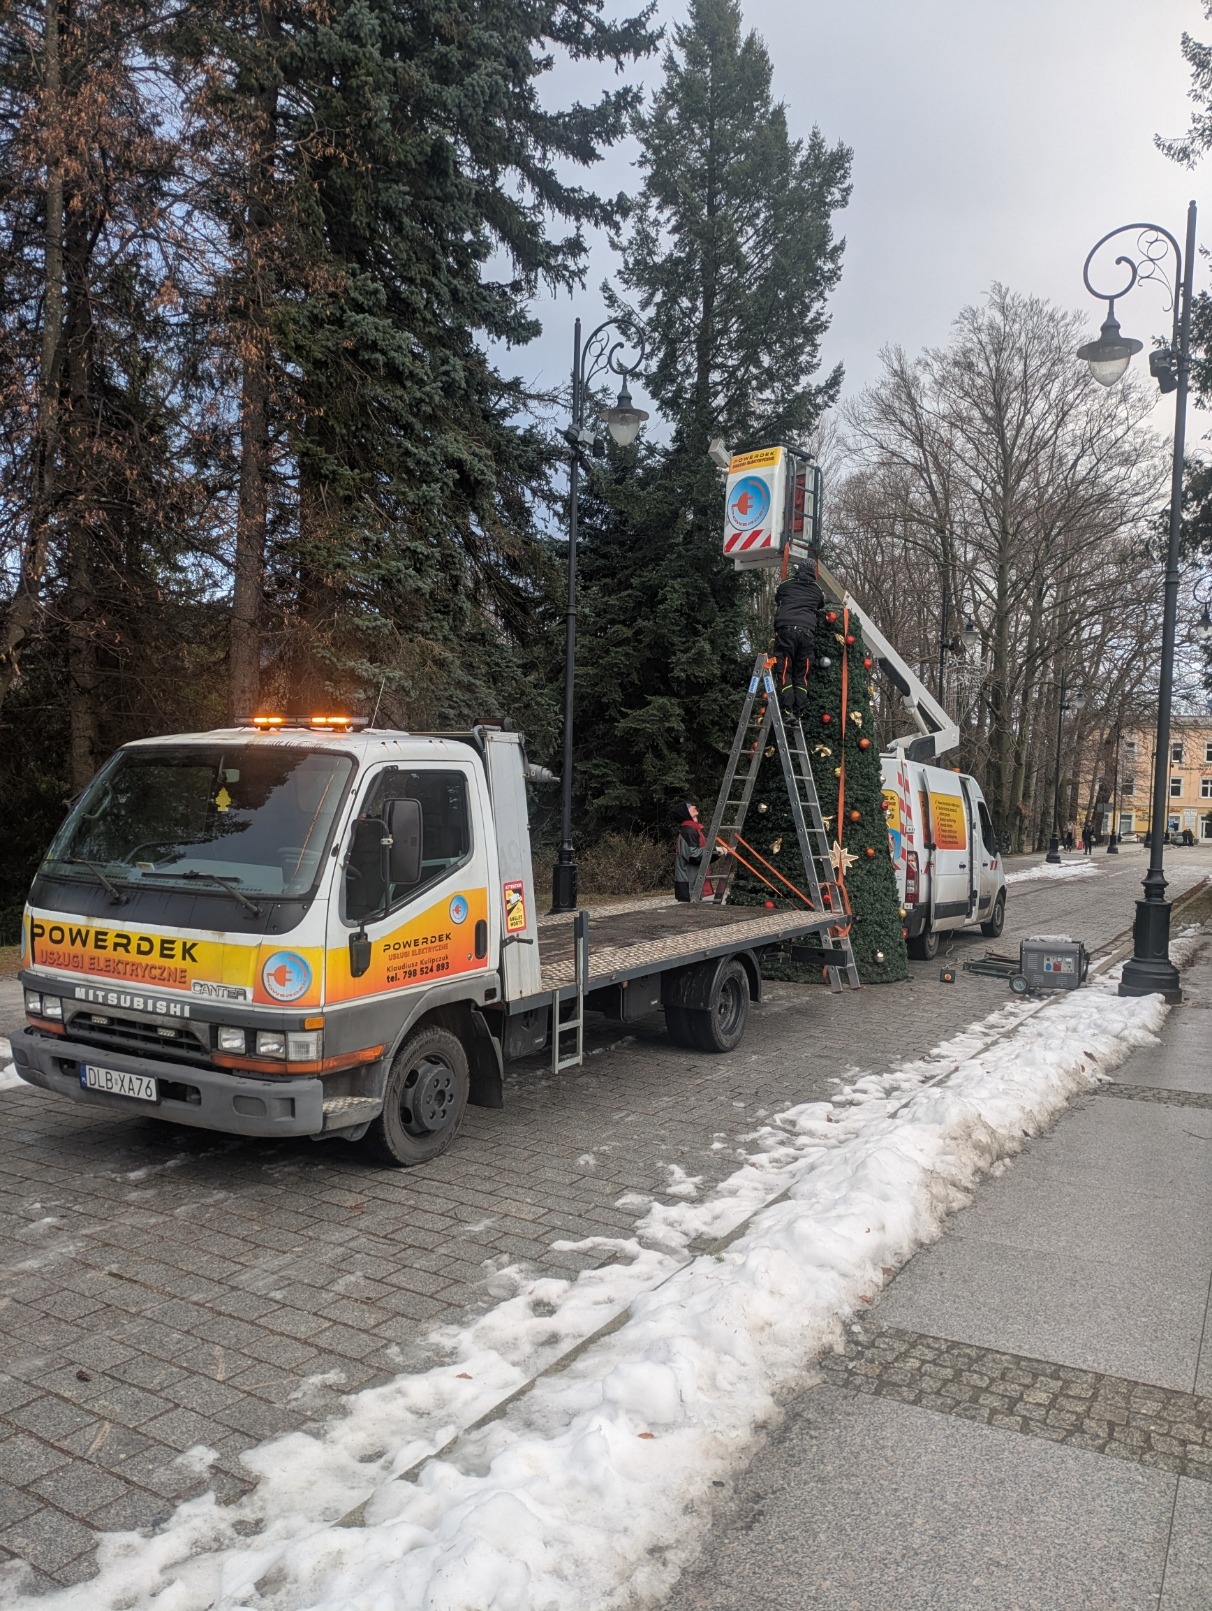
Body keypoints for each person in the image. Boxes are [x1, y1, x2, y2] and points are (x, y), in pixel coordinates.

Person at [773, 555, 824, 719]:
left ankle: (787, 710)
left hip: (786, 630)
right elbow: (821, 604)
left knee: (784, 669)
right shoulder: (816, 590)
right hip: (807, 633)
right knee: (802, 673)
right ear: (813, 572)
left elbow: (778, 598)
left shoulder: (786, 585)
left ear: (799, 569)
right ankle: (799, 710)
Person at [672, 800, 712, 901]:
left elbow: (699, 855)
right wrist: (715, 851)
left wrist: (716, 853)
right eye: (689, 806)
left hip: (691, 882)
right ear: (685, 813)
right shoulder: (689, 831)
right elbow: (694, 856)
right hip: (689, 883)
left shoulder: (693, 829)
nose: (694, 806)